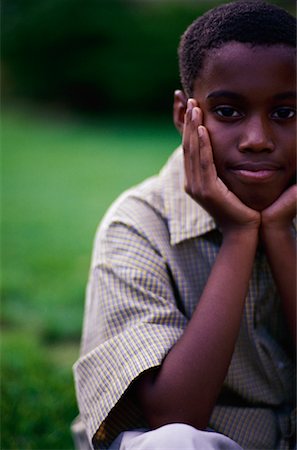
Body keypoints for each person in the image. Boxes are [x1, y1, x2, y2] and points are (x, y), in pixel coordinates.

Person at [73, 1, 296, 449]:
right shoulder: (137, 224)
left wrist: (277, 235)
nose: (257, 139)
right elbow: (174, 414)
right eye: (228, 112)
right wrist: (239, 236)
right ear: (184, 115)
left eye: (285, 113)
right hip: (199, 436)